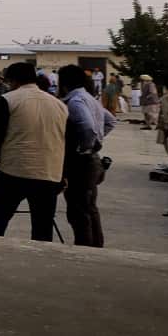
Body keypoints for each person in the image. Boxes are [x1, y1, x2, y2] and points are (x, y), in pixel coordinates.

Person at [0, 62, 68, 242]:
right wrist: (64, 174)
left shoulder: (9, 99)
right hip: (48, 174)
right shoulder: (59, 105)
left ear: (13, 80)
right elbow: (66, 142)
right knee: (43, 226)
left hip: (14, 172)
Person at [58, 65, 115, 247]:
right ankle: (95, 246)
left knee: (78, 209)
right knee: (89, 207)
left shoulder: (75, 101)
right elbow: (110, 121)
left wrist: (85, 147)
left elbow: (87, 126)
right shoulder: (89, 98)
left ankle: (84, 248)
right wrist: (97, 140)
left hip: (81, 162)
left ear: (64, 83)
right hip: (92, 160)